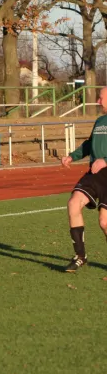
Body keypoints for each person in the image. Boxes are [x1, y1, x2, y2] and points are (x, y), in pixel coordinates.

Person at [61, 86, 107, 272]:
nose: (98, 101)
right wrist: (72, 156)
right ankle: (80, 256)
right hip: (95, 175)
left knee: (104, 222)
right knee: (73, 203)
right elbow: (89, 144)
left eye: (101, 97)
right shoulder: (100, 121)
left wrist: (105, 161)